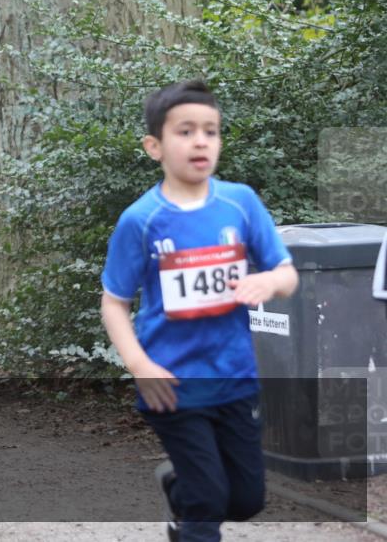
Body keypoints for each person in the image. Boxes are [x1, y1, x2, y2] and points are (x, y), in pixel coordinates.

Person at [100, 80, 299, 542]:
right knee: (208, 502)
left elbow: (287, 275)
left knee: (247, 500)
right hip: (172, 384)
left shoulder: (240, 202)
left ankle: (178, 486)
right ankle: (192, 510)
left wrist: (267, 280)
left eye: (210, 131)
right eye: (185, 131)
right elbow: (114, 302)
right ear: (155, 146)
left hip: (234, 377)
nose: (200, 141)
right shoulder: (141, 220)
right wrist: (139, 365)